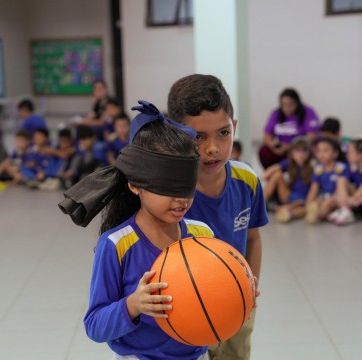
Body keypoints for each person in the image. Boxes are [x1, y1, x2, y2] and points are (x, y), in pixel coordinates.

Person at [58, 101, 212, 360]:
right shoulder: (116, 244)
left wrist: (237, 290)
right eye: (168, 188)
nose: (181, 200)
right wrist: (133, 305)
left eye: (187, 188)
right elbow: (94, 325)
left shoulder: (203, 235)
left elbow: (213, 301)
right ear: (135, 185)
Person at [168, 74, 268, 360]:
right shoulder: (169, 193)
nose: (212, 148)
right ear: (177, 133)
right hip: (188, 308)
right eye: (198, 136)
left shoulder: (247, 179)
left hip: (236, 304)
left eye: (223, 133)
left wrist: (250, 286)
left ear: (234, 128)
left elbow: (253, 238)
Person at [258, 88, 320, 169]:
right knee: (264, 151)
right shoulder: (276, 113)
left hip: (299, 148)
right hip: (281, 149)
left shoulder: (307, 112)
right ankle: (273, 175)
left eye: (290, 105)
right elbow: (267, 135)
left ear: (297, 103)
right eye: (284, 105)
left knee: (300, 153)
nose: (287, 108)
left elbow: (311, 136)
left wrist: (289, 146)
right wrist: (273, 145)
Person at [305, 138, 350, 224]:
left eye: (325, 151)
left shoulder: (341, 167)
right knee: (316, 203)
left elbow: (344, 186)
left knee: (327, 203)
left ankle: (344, 211)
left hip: (339, 198)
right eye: (318, 151)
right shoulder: (318, 169)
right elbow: (313, 189)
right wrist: (309, 203)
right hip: (325, 197)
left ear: (335, 153)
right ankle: (320, 214)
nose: (321, 154)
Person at [270, 137, 314, 223]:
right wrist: (258, 179)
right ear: (291, 153)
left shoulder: (312, 166)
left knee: (307, 209)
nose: (300, 155)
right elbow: (272, 169)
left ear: (309, 153)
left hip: (304, 200)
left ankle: (288, 213)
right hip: (289, 196)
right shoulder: (289, 163)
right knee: (277, 174)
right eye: (297, 151)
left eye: (304, 151)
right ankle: (257, 203)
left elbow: (313, 189)